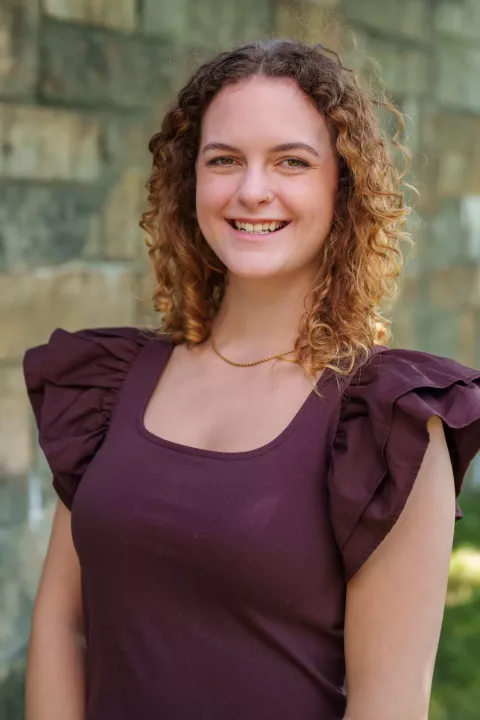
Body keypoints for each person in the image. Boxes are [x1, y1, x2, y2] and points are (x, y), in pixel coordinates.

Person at [23, 38, 480, 720]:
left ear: (342, 186)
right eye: (224, 160)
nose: (252, 190)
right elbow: (64, 625)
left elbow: (387, 704)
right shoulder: (109, 387)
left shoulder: (388, 428)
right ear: (190, 182)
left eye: (291, 161)